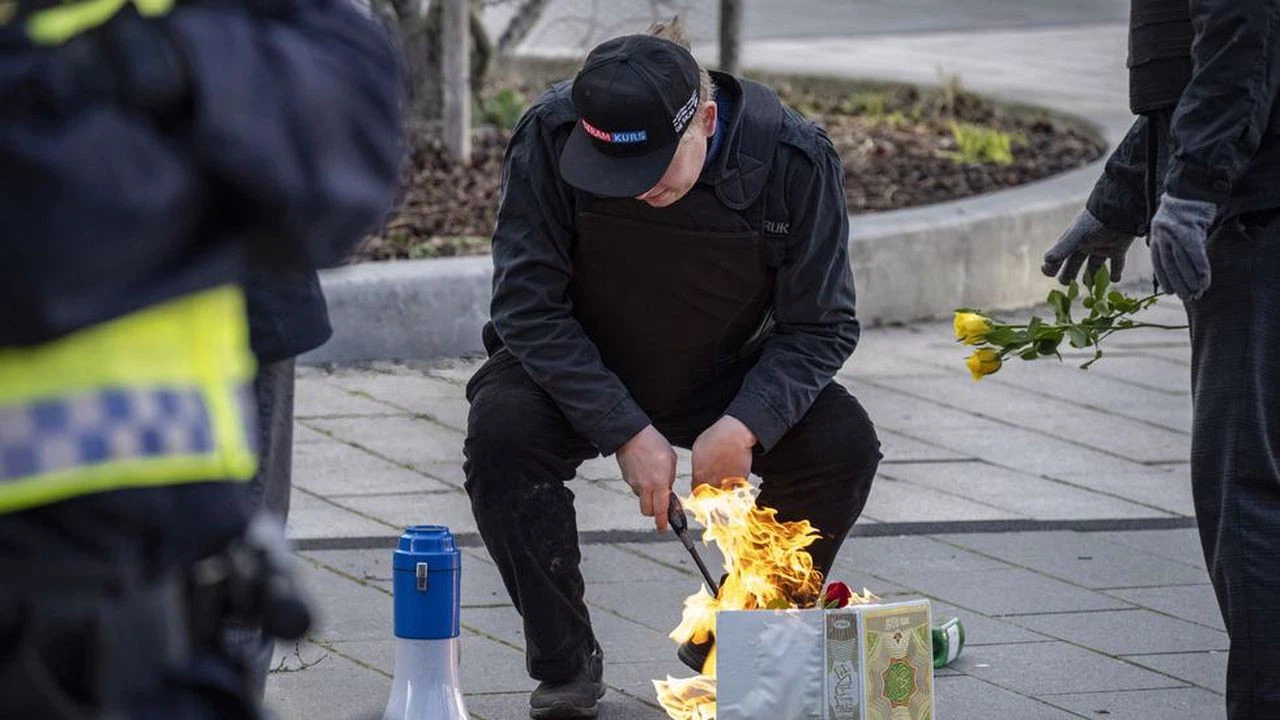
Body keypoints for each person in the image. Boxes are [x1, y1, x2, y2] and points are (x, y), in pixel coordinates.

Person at [463, 20, 881, 720]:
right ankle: (565, 662)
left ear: (706, 121)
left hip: (727, 367)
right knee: (501, 436)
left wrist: (746, 423)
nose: (635, 190)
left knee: (843, 446)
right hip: (579, 358)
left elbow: (822, 325)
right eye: (612, 173)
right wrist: (624, 427)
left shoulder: (794, 158)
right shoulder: (549, 131)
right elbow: (526, 307)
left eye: (654, 168)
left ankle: (738, 633)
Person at [0, 0, 403, 715]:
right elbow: (39, 249)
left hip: (160, 616)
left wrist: (160, 74)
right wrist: (202, 153)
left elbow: (346, 125)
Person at [1041, 0, 1280, 716]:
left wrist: (1194, 192)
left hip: (1256, 216)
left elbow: (1240, 37)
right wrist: (1123, 198)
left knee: (1246, 487)